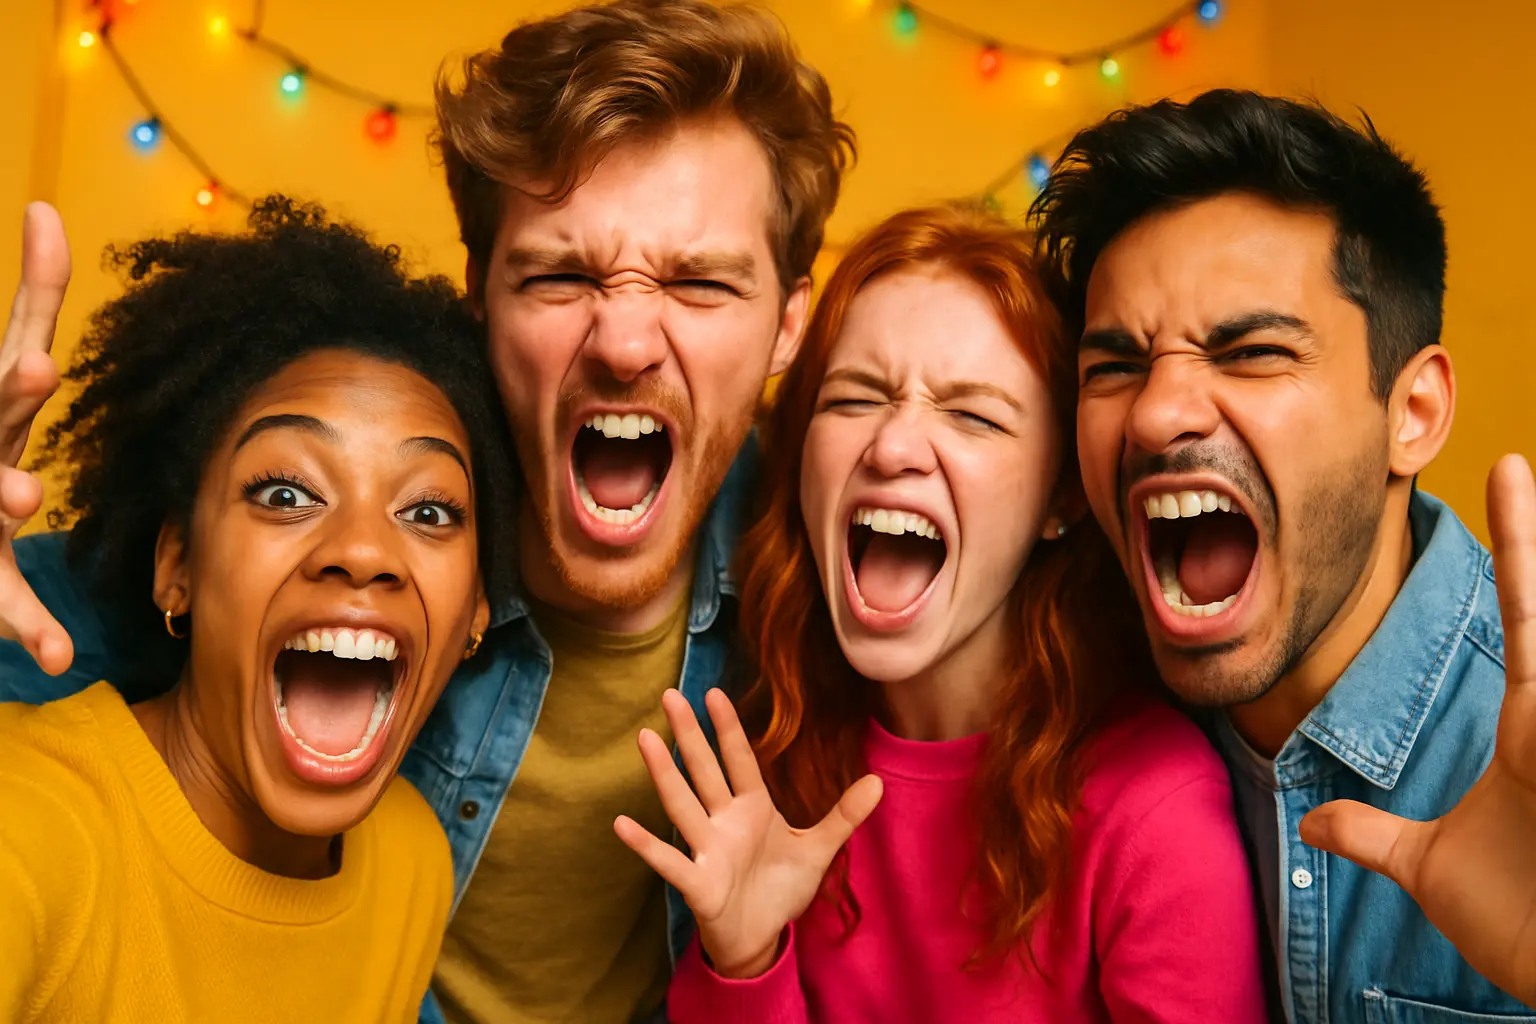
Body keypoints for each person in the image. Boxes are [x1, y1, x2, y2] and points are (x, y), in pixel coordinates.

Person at [0, 1, 851, 1020]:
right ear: (480, 290)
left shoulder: (826, 574)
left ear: (789, 323)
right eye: (560, 273)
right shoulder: (320, 499)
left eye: (701, 283)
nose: (624, 344)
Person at [613, 206, 1268, 1022]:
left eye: (972, 415)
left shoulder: (1153, 811)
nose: (892, 448)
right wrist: (743, 960)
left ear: (1060, 496)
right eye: (854, 399)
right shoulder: (769, 763)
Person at [1033, 88, 1536, 1020]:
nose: (1154, 412)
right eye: (1115, 367)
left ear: (1412, 413)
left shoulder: (1518, 735)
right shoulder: (1073, 716)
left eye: (1254, 351)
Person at [0, 196, 515, 1021]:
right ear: (177, 567)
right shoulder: (36, 821)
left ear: (476, 615)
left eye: (427, 511)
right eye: (285, 491)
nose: (364, 550)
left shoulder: (415, 858)